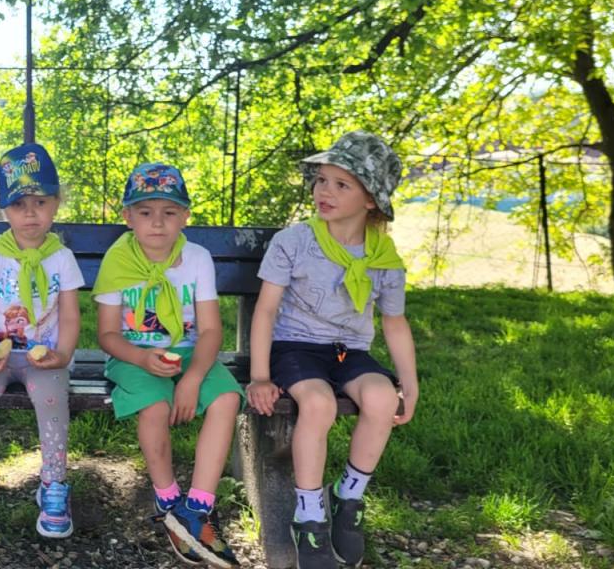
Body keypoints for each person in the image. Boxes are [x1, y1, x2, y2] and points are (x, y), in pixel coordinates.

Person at [246, 131, 417, 569]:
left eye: (342, 185)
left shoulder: (383, 256)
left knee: (382, 398)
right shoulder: (295, 241)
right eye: (322, 180)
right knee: (318, 404)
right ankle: (309, 517)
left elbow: (394, 323)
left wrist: (409, 384)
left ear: (370, 201)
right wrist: (260, 376)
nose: (325, 191)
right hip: (294, 348)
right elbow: (265, 310)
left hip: (348, 351)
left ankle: (348, 498)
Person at [95, 163, 242, 567]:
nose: (157, 222)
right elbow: (107, 334)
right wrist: (142, 357)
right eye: (145, 212)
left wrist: (193, 378)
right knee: (155, 406)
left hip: (191, 352)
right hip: (133, 355)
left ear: (185, 216)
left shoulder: (196, 258)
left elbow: (210, 330)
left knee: (227, 398)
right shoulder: (117, 260)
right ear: (128, 217)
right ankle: (167, 498)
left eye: (169, 212)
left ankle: (196, 509)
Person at [0, 143, 84, 540]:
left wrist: (63, 355)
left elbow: (71, 315)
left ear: (56, 204)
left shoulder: (61, 258)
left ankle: (54, 484)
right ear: (5, 210)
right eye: (19, 204)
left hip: (45, 359)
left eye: (40, 202)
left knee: (51, 399)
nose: (30, 213)